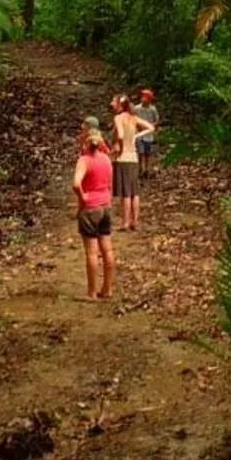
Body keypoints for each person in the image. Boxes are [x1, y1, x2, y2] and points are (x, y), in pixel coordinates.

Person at [72, 119, 116, 300]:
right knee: (108, 250)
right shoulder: (107, 159)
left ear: (86, 143)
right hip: (105, 206)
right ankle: (107, 288)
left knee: (91, 252)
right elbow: (110, 185)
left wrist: (83, 198)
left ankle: (92, 292)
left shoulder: (84, 160)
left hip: (90, 208)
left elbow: (76, 183)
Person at [110, 93, 155, 233]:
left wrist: (120, 148)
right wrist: (136, 136)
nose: (111, 103)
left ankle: (125, 222)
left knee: (125, 193)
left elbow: (121, 135)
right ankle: (134, 221)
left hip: (123, 158)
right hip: (134, 158)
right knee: (134, 192)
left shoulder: (118, 118)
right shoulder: (133, 118)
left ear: (119, 104)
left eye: (113, 101)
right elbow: (151, 127)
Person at [136, 86, 160, 177]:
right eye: (142, 97)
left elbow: (156, 120)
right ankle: (140, 169)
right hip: (139, 134)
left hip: (149, 135)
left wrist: (152, 126)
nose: (143, 99)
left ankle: (146, 169)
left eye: (145, 97)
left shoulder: (152, 109)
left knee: (147, 153)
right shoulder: (137, 108)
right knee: (140, 152)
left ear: (149, 99)